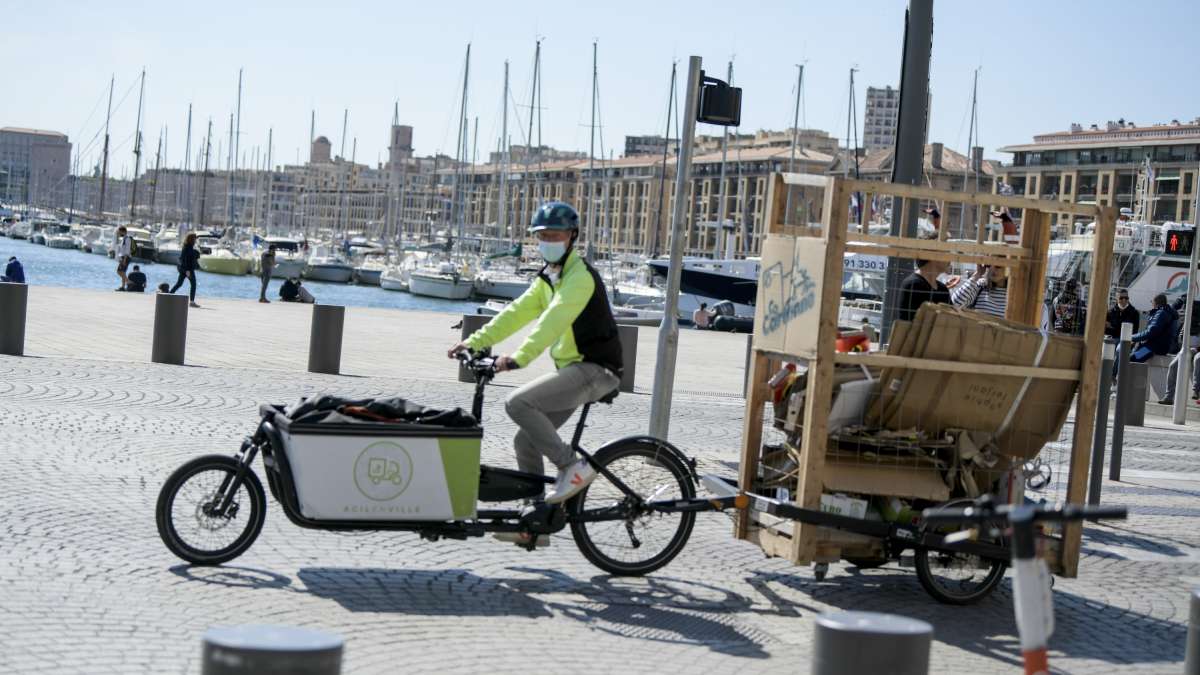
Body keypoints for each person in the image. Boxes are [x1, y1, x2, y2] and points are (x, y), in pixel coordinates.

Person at [447, 201, 622, 525]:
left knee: (518, 403)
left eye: (556, 236)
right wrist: (474, 341)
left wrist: (517, 358)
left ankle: (572, 466)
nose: (548, 242)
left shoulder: (578, 278)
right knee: (524, 440)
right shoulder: (551, 277)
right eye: (543, 236)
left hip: (596, 370)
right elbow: (519, 311)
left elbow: (552, 322)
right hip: (575, 370)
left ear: (572, 237)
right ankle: (536, 516)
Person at [897, 256, 951, 322]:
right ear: (933, 256)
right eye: (947, 253)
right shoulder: (913, 285)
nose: (950, 258)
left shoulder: (943, 289)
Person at [1130, 293, 1178, 363]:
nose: (1152, 304)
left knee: (1132, 358)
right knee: (1132, 354)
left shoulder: (1161, 313)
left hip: (1153, 347)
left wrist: (1132, 337)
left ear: (1155, 303)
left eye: (1152, 302)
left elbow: (1151, 332)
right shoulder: (1167, 313)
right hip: (1159, 347)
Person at [169, 232, 201, 308]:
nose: (195, 240)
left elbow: (190, 257)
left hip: (185, 269)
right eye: (194, 238)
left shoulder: (188, 247)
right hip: (188, 269)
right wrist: (187, 271)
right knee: (193, 284)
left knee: (179, 284)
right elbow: (185, 260)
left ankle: (169, 295)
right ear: (191, 239)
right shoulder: (187, 248)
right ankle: (192, 302)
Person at [114, 226, 132, 291]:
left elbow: (127, 250)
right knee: (123, 272)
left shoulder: (127, 239)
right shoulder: (124, 238)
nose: (118, 233)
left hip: (126, 257)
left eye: (119, 232)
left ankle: (128, 282)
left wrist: (124, 259)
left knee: (119, 271)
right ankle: (123, 287)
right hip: (123, 257)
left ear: (123, 231)